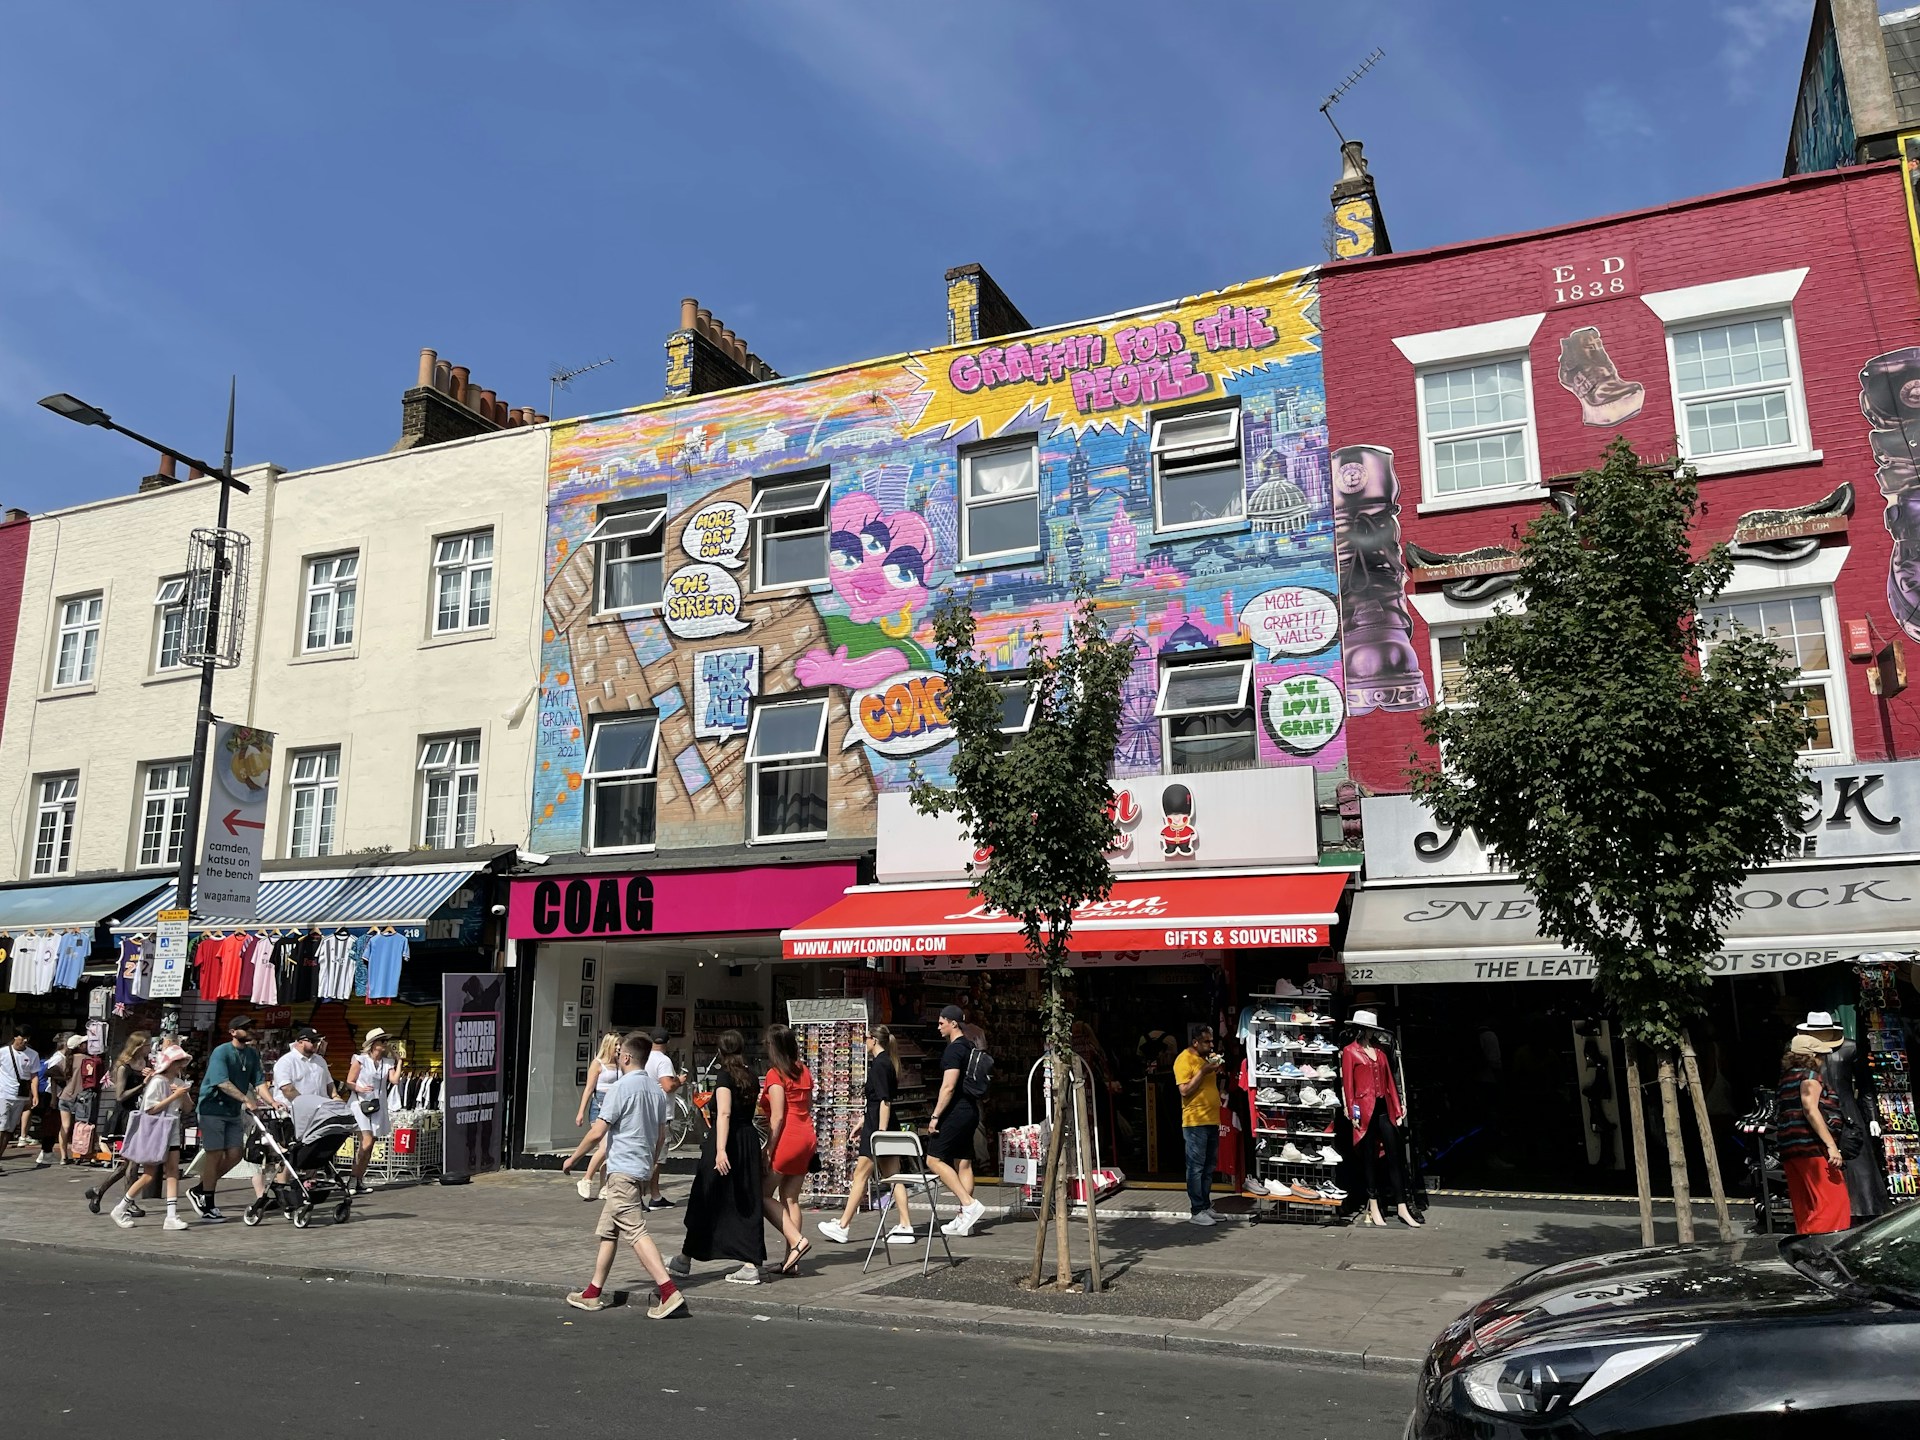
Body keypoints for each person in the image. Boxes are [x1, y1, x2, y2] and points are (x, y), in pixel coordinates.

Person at [559, 1031, 684, 1318]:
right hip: (638, 1168)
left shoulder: (619, 1089)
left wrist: (574, 1159)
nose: (617, 1057)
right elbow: (661, 1135)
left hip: (621, 1170)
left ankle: (668, 1290)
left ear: (626, 1057)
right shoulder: (656, 1091)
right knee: (609, 1231)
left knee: (635, 1231)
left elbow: (598, 1131)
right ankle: (593, 1292)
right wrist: (650, 1163)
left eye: (619, 1054)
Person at [669, 1029, 768, 1285]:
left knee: (706, 1196)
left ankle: (687, 1257)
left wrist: (721, 1150)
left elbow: (723, 1114)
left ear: (721, 1051)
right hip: (747, 1140)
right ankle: (745, 1261)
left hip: (727, 1140)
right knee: (745, 1198)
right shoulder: (750, 1076)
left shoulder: (724, 1077)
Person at [818, 1025, 916, 1247]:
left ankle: (843, 1225)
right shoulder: (886, 1063)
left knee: (860, 1176)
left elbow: (884, 1101)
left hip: (878, 1129)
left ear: (873, 1040)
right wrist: (863, 1122)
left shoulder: (880, 1064)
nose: (864, 1041)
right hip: (879, 1125)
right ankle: (906, 1224)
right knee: (894, 1176)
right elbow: (878, 1101)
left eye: (866, 1038)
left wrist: (879, 1133)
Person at [1342, 1010, 1421, 1227]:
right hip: (1364, 1110)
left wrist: (1398, 1106)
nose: (1371, 1032)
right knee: (1369, 1159)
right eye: (1369, 1029)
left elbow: (1390, 1084)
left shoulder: (1381, 1052)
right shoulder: (1350, 1052)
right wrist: (1353, 1113)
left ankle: (1402, 1206)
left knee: (1394, 1156)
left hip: (1383, 1108)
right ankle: (1374, 1205)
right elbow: (1349, 1086)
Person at [189, 1014, 270, 1222]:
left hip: (233, 1112)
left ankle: (200, 1189)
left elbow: (259, 1082)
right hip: (212, 1109)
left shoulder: (251, 1054)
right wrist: (245, 1099)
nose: (249, 1030)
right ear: (233, 1032)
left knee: (235, 1154)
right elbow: (221, 1082)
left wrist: (272, 1101)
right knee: (214, 1154)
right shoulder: (222, 1051)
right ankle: (208, 1203)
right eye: (245, 1027)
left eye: (251, 1026)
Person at [113, 1043, 196, 1231]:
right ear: (170, 1063)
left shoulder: (179, 1082)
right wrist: (175, 1096)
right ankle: (121, 1207)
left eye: (182, 1062)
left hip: (173, 1129)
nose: (181, 1066)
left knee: (173, 1171)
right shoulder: (158, 1082)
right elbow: (150, 1109)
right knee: (149, 1174)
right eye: (178, 1062)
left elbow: (188, 1108)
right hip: (158, 1130)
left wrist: (184, 1095)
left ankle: (172, 1215)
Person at [1777, 1030, 1851, 1236]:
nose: (1823, 1060)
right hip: (1812, 1147)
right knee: (1833, 1204)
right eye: (1820, 1055)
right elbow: (1810, 1109)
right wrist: (1831, 1146)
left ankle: (1804, 1243)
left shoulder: (1786, 1079)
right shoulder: (1809, 1077)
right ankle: (1817, 1248)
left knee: (1805, 1204)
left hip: (1790, 1148)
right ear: (1811, 1057)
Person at [761, 1023, 818, 1274]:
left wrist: (768, 1148)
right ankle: (790, 1259)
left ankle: (796, 1241)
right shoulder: (803, 1071)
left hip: (787, 1137)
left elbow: (777, 1116)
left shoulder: (776, 1074)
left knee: (762, 1196)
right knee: (791, 1198)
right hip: (807, 1135)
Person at [926, 1005, 987, 1237]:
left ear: (953, 1023)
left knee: (933, 1159)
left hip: (955, 1112)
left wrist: (935, 1116)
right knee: (963, 1162)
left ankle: (969, 1205)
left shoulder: (953, 1050)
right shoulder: (969, 1046)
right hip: (971, 1109)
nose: (938, 1026)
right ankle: (965, 1220)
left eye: (941, 1022)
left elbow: (949, 1086)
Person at [86, 1032, 152, 1215]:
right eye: (147, 1045)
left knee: (129, 1163)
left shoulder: (146, 1064)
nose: (150, 1049)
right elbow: (120, 1096)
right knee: (133, 1162)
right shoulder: (123, 1067)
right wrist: (143, 1083)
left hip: (140, 1114)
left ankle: (99, 1190)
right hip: (125, 1116)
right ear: (138, 1046)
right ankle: (127, 1203)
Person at [1173, 1024, 1224, 1226]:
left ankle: (1205, 1206)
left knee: (1209, 1166)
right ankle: (1196, 1209)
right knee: (1196, 1167)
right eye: (1207, 1042)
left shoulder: (1206, 1059)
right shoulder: (1184, 1060)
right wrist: (1203, 1071)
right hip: (1195, 1122)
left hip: (1212, 1119)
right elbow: (1184, 1090)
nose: (1211, 1045)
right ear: (1195, 1042)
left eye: (1212, 1041)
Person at [347, 1027, 400, 1192]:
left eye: (386, 1041)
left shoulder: (387, 1063)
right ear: (373, 1044)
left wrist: (399, 1062)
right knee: (367, 1141)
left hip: (377, 1105)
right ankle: (352, 1180)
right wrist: (360, 1089)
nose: (385, 1044)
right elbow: (349, 1081)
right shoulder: (360, 1060)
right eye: (382, 1041)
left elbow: (395, 1081)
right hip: (360, 1104)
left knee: (370, 1144)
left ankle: (358, 1179)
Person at [573, 1032, 621, 1201]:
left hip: (615, 1107)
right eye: (615, 1045)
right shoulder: (598, 1064)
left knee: (611, 1150)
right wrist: (580, 1112)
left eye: (620, 1044)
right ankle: (586, 1179)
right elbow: (588, 1089)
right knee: (604, 1146)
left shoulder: (620, 1064)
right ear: (608, 1046)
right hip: (599, 1106)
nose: (618, 1048)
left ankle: (604, 1187)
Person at [643, 1027, 681, 1209]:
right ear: (667, 1042)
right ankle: (652, 1195)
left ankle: (654, 1195)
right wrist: (680, 1080)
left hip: (646, 1111)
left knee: (648, 1155)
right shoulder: (664, 1061)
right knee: (658, 1157)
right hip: (661, 1113)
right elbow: (667, 1086)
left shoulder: (644, 1057)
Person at [0, 1026, 43, 1172]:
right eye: (22, 1038)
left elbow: (34, 1076)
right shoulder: (3, 1052)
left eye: (27, 1039)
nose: (24, 1041)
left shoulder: (33, 1055)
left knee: (9, 1130)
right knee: (2, 1126)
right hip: (3, 1094)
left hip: (20, 1096)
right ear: (15, 1037)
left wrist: (35, 1095)